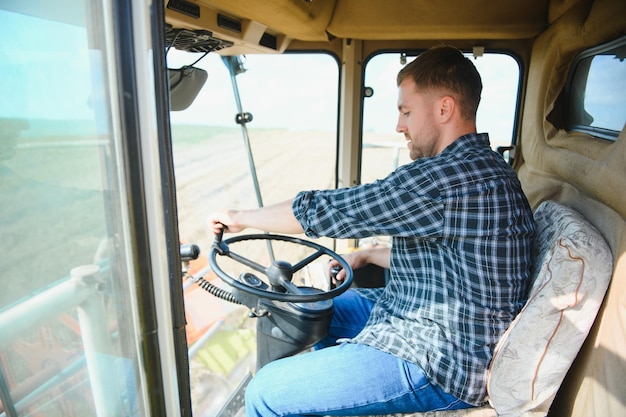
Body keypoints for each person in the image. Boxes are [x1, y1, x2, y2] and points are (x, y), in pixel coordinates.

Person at [210, 46, 535, 416]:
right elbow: (454, 261)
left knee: (264, 392)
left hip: (440, 359)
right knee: (315, 306)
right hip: (421, 317)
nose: (400, 126)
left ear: (444, 109)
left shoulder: (446, 180)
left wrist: (240, 217)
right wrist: (366, 254)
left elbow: (331, 211)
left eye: (406, 112)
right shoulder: (483, 166)